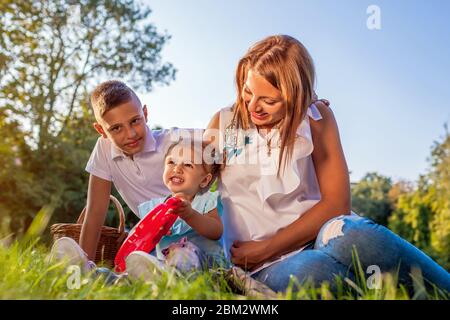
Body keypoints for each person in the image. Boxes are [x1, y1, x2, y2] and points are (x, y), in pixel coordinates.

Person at [206, 34, 450, 294]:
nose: (253, 106)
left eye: (269, 100)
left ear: (296, 97)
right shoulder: (225, 125)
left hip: (319, 235)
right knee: (314, 274)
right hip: (262, 263)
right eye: (248, 91)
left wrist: (267, 246)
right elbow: (191, 184)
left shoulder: (316, 116)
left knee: (361, 236)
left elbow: (336, 203)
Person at [49, 80, 177, 272]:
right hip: (156, 240)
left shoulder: (172, 141)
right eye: (116, 128)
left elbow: (216, 138)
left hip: (199, 230)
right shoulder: (104, 148)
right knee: (133, 265)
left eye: (135, 120)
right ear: (101, 131)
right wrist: (85, 265)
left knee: (177, 260)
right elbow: (95, 210)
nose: (130, 134)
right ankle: (90, 271)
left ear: (146, 114)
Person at [125, 139, 224, 281]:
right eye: (171, 162)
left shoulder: (206, 201)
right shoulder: (155, 207)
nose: (177, 169)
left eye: (188, 164)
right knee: (137, 262)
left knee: (181, 254)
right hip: (164, 264)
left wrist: (190, 215)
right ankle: (101, 273)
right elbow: (140, 237)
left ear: (204, 180)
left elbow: (216, 232)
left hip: (206, 267)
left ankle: (171, 277)